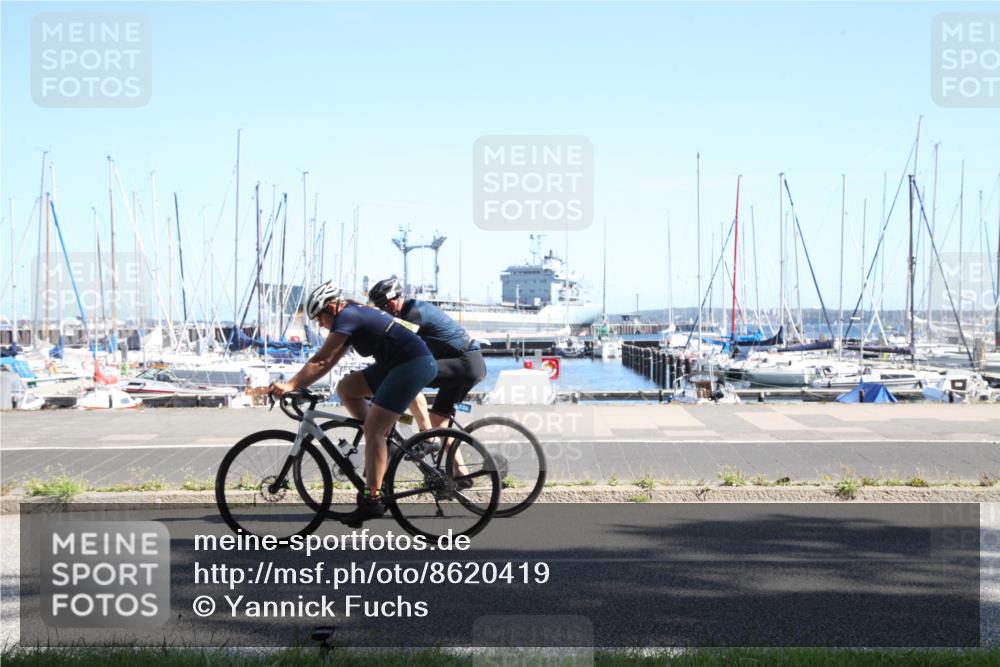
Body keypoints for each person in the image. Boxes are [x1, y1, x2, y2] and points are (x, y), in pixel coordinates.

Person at [269, 280, 438, 526]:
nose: (320, 325)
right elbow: (330, 361)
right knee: (346, 389)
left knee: (373, 430)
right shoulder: (351, 317)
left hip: (412, 365)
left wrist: (291, 385)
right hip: (395, 365)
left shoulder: (349, 316)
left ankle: (372, 500)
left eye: (319, 319)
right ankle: (382, 445)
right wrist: (299, 385)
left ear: (331, 309)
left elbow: (321, 361)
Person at [367, 276, 486, 430]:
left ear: (391, 303)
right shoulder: (411, 310)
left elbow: (397, 345)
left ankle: (426, 439)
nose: (383, 315)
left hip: (464, 364)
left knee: (406, 377)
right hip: (466, 364)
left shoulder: (413, 313)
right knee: (438, 425)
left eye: (382, 309)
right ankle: (434, 443)